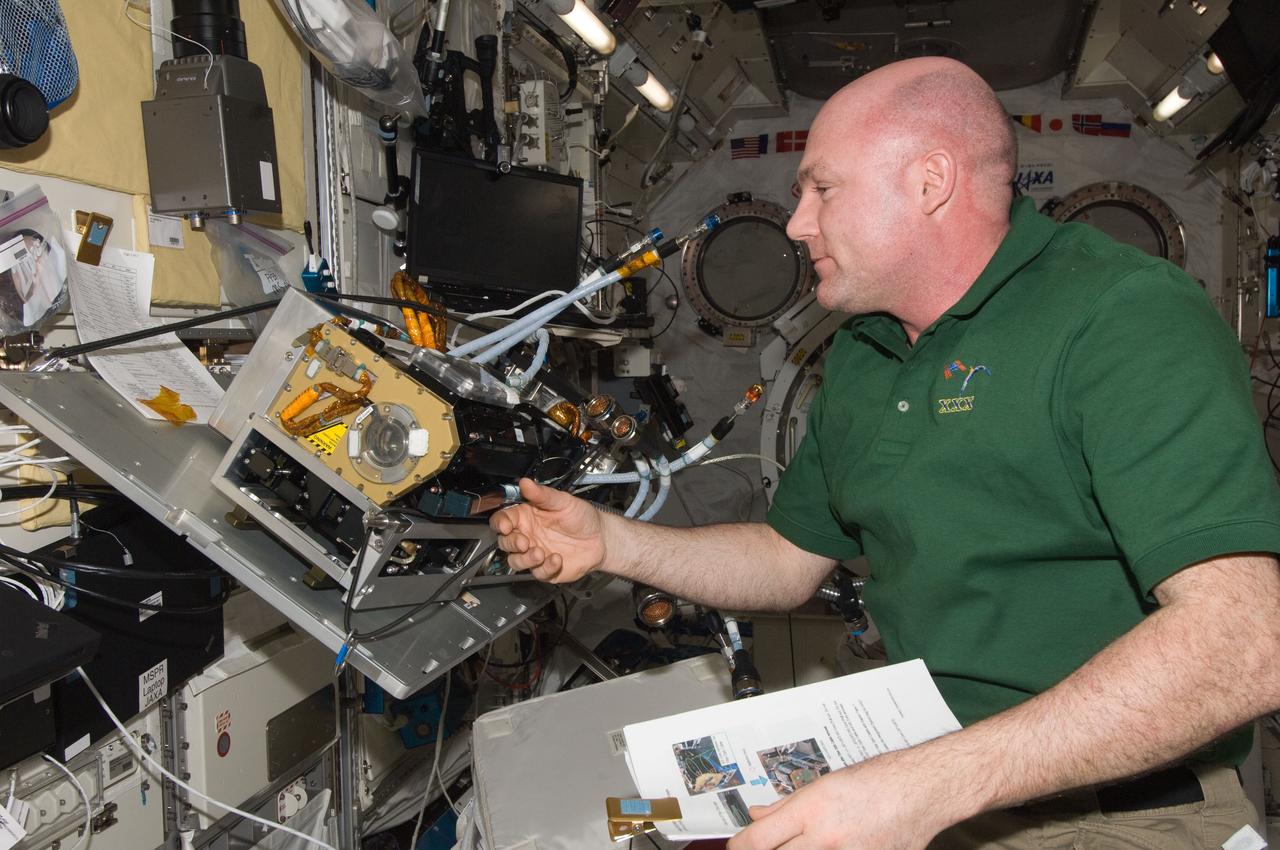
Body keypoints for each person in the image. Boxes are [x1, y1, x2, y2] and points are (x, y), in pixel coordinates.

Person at [492, 56, 1280, 850]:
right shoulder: (865, 351)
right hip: (932, 784)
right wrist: (611, 542)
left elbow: (1245, 641)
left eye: (822, 189)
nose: (797, 223)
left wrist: (927, 785)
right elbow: (786, 559)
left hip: (1121, 811)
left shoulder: (1122, 315)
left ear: (930, 181)